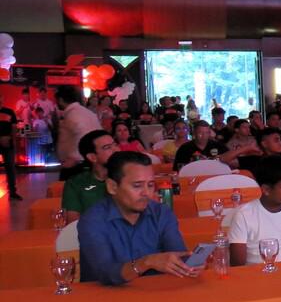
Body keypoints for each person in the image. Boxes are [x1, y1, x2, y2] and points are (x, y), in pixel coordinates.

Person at [77, 151, 194, 286]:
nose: (146, 193)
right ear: (112, 187)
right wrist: (146, 262)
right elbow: (106, 273)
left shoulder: (161, 213)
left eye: (150, 185)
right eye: (137, 186)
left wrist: (189, 265)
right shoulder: (92, 221)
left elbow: (178, 254)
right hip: (104, 295)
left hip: (155, 291)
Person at [62, 129, 117, 222]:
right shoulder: (76, 184)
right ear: (92, 157)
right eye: (107, 147)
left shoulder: (129, 177)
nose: (116, 150)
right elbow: (73, 222)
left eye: (115, 144)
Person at [55, 85, 103, 178]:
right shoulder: (88, 113)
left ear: (60, 100)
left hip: (77, 164)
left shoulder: (71, 116)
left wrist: (73, 158)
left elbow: (70, 140)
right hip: (93, 160)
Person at [0, 103, 20, 200]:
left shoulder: (9, 111)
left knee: (10, 167)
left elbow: (14, 127)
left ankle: (12, 192)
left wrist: (12, 139)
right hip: (4, 140)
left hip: (8, 143)